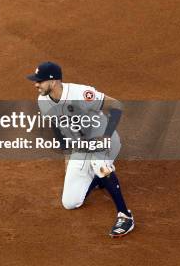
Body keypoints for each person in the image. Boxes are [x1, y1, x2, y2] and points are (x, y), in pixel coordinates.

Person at [26, 61, 135, 237]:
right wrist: (67, 153)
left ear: (53, 82)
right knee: (70, 202)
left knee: (99, 164)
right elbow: (56, 126)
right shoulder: (43, 101)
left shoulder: (81, 94)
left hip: (103, 140)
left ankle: (125, 215)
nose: (36, 84)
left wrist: (106, 136)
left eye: (40, 81)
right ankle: (98, 181)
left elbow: (116, 105)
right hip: (81, 147)